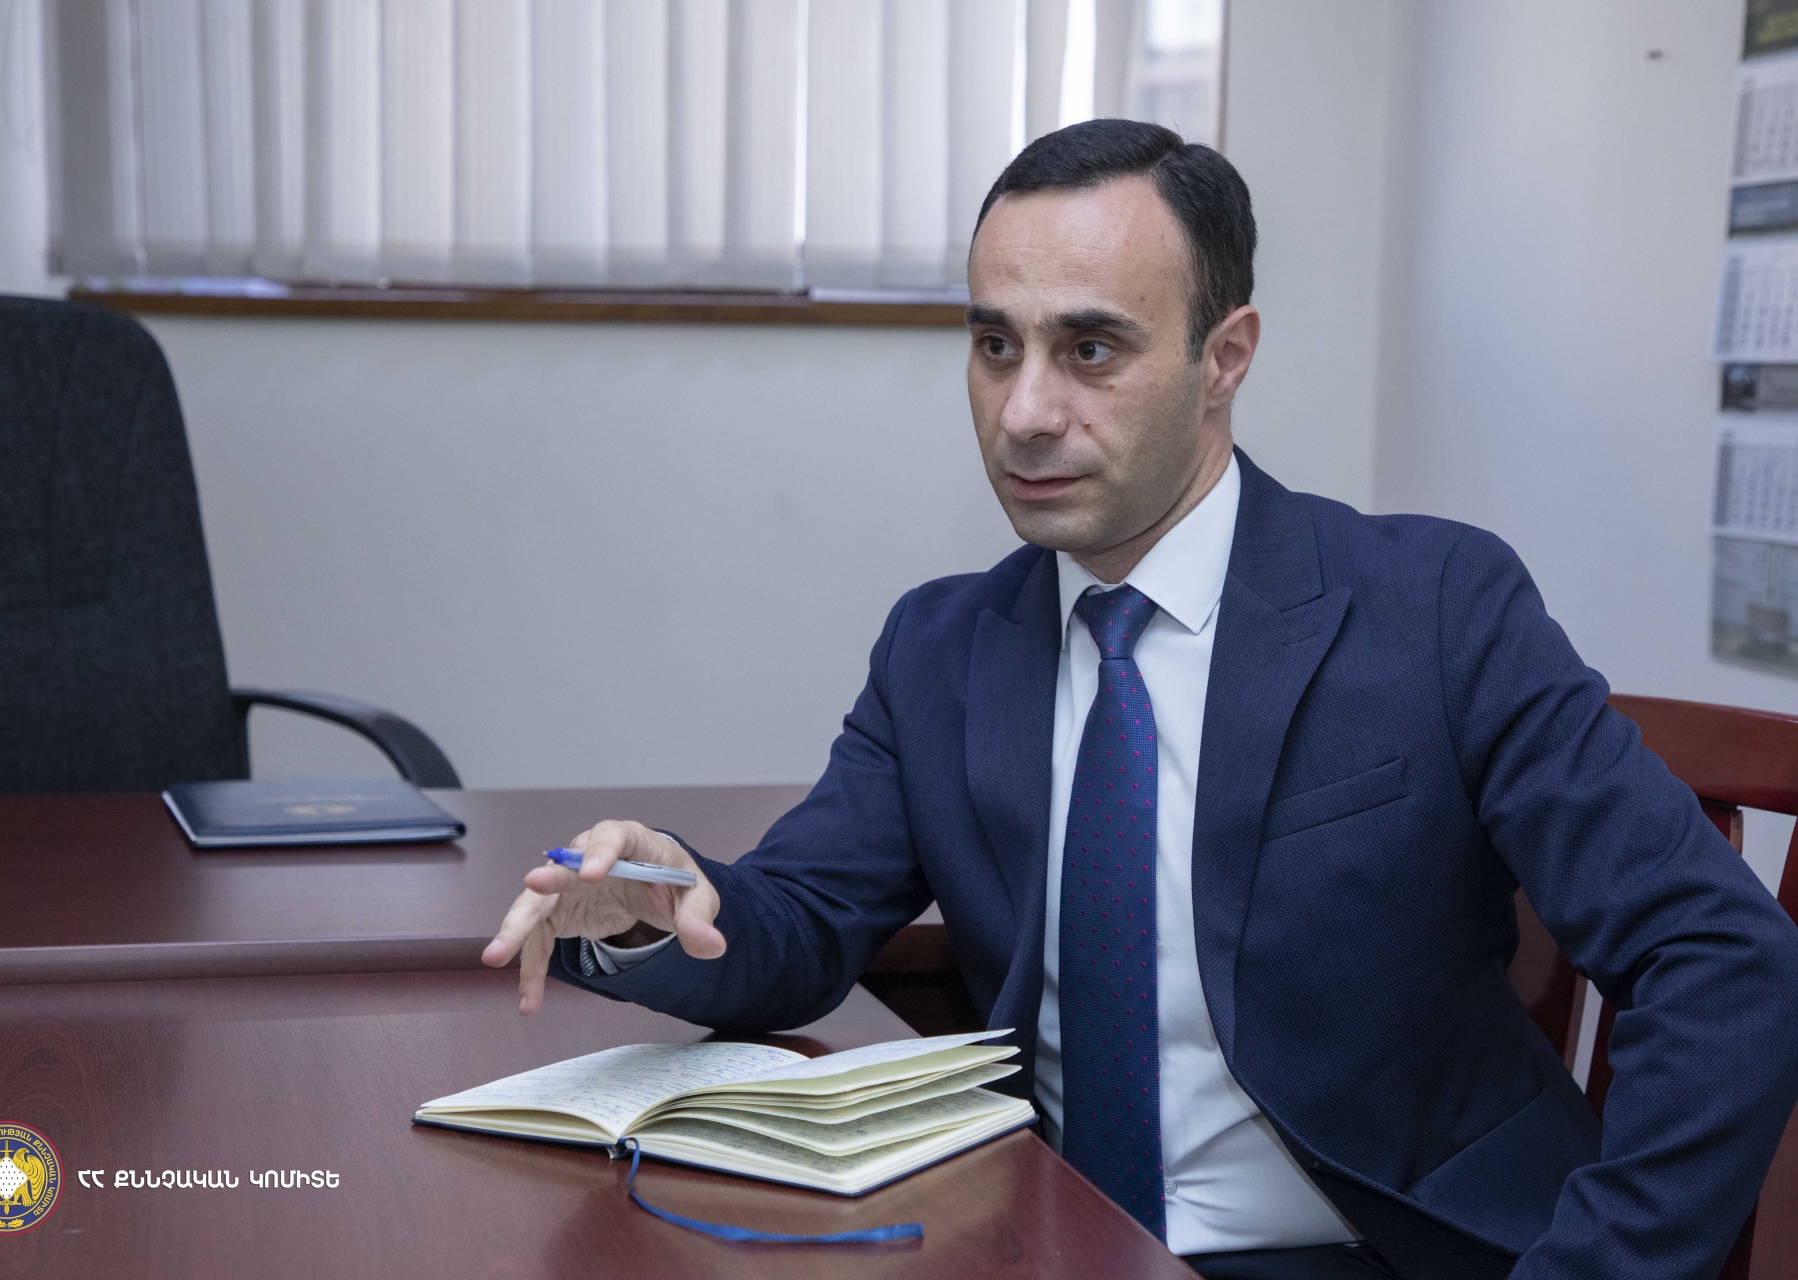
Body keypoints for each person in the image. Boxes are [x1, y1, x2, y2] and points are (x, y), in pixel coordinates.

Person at [481, 119, 1798, 1280]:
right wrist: (652, 904)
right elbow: (804, 921)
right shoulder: (942, 647)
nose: (1024, 412)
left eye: (1090, 348)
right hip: (1039, 1240)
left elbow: (1722, 960)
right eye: (994, 346)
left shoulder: (1435, 606)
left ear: (1226, 356)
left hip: (1376, 1255)